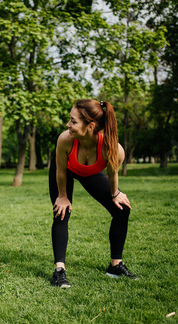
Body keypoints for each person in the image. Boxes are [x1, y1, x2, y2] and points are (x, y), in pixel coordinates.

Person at [49, 99, 137, 288]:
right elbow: (61, 172)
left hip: (90, 173)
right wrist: (62, 196)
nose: (68, 125)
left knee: (122, 209)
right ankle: (59, 271)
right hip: (65, 170)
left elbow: (113, 174)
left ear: (90, 126)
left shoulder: (112, 148)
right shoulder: (65, 139)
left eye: (73, 121)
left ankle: (115, 265)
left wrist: (115, 194)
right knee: (62, 211)